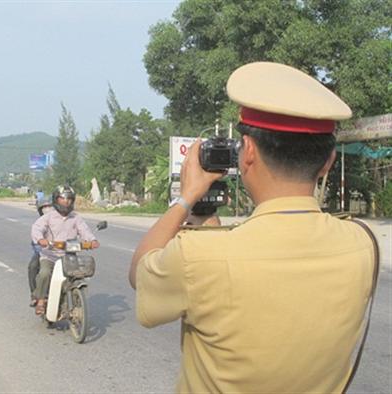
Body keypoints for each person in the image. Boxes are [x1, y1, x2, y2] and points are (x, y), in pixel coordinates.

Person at [129, 62, 378, 393]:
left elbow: (140, 274)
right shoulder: (363, 244)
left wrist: (187, 197)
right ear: (328, 161)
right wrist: (205, 217)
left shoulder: (197, 258)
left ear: (247, 152)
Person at [32, 185, 99, 315]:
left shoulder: (75, 217)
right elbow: (37, 228)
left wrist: (92, 240)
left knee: (76, 276)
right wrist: (41, 240)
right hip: (50, 255)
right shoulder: (49, 217)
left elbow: (84, 230)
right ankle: (40, 300)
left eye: (69, 199)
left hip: (69, 256)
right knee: (45, 273)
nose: (66, 202)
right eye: (62, 198)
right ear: (56, 200)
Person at [28, 197, 53, 307]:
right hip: (44, 253)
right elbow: (36, 240)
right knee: (33, 266)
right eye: (45, 207)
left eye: (50, 206)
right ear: (40, 210)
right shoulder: (39, 224)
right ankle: (35, 295)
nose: (48, 209)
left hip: (63, 253)